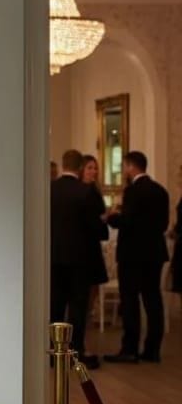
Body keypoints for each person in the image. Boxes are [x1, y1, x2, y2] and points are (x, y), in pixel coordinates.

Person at [104, 151, 170, 364]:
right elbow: (163, 224)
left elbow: (129, 222)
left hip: (133, 255)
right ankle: (152, 349)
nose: (125, 171)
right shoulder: (160, 191)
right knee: (153, 300)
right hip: (154, 253)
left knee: (130, 300)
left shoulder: (133, 191)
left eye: (125, 167)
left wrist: (113, 218)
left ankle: (130, 348)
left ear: (131, 167)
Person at [51, 149, 105, 368]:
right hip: (79, 259)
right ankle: (75, 351)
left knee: (55, 304)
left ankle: (54, 352)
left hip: (53, 257)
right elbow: (96, 228)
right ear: (80, 167)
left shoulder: (49, 189)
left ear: (63, 164)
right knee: (77, 307)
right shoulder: (85, 192)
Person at [82, 154, 109, 290]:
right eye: (90, 168)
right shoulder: (80, 190)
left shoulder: (95, 190)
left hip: (93, 242)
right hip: (83, 242)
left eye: (95, 168)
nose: (94, 171)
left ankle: (90, 311)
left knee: (95, 283)